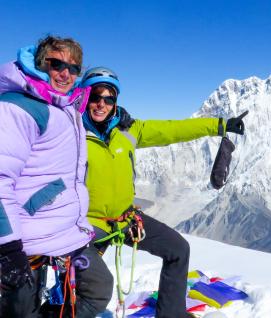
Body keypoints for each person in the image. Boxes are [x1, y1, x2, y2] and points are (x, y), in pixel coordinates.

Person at [79, 66, 246, 318]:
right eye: (95, 97)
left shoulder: (129, 130)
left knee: (178, 250)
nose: (101, 104)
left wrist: (220, 125)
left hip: (125, 219)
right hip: (86, 225)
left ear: (115, 101)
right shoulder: (71, 132)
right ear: (84, 97)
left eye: (108, 98)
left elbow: (172, 129)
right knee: (92, 283)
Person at [0, 36, 112, 317]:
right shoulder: (19, 107)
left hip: (66, 231)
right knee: (21, 311)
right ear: (40, 64)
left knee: (98, 289)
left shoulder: (66, 107)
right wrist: (7, 246)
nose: (65, 73)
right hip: (25, 239)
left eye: (73, 68)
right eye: (56, 63)